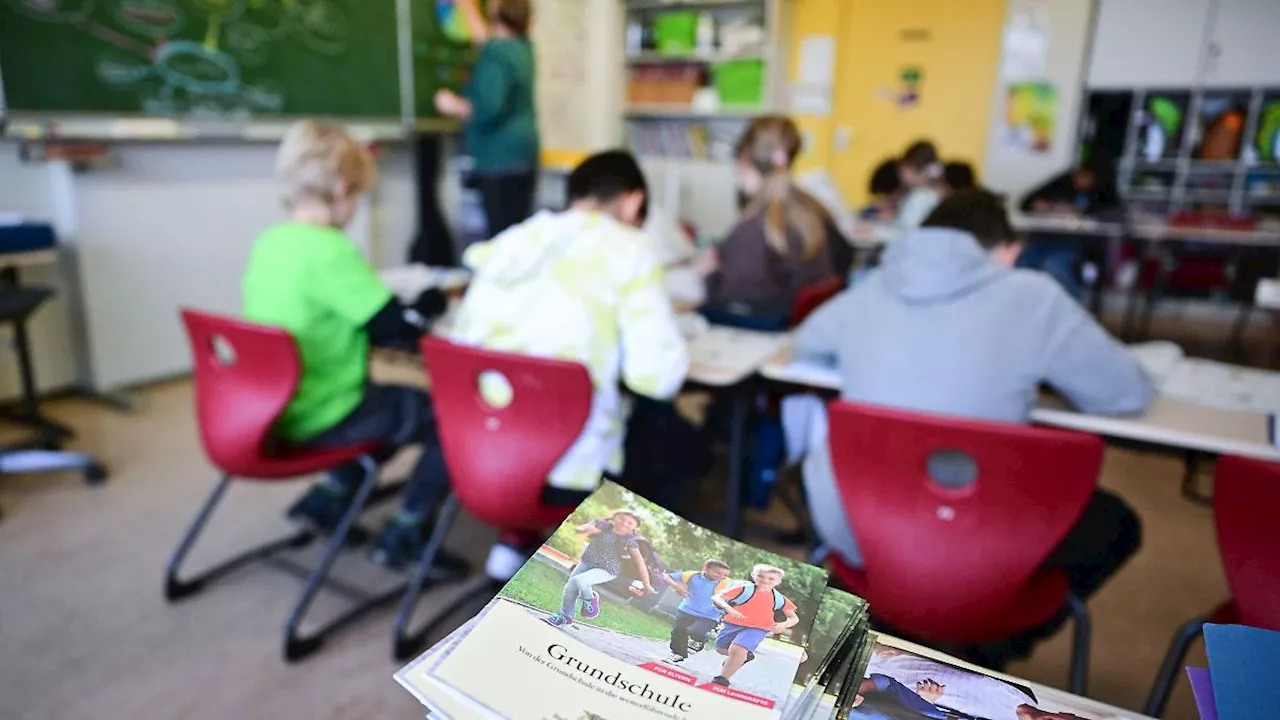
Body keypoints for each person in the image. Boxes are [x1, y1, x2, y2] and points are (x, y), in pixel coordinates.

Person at [791, 190, 1153, 661]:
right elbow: (1125, 393)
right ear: (1001, 250)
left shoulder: (871, 289)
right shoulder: (1033, 296)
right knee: (1119, 523)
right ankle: (990, 648)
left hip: (868, 534)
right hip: (991, 551)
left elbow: (807, 344)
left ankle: (902, 625)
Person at [450, 149, 691, 579]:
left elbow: (463, 344)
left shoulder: (511, 242)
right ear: (634, 202)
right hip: (568, 472)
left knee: (535, 394)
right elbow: (658, 378)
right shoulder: (630, 250)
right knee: (680, 443)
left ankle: (515, 541)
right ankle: (617, 573)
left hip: (483, 453)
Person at [242, 121, 464, 571]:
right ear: (343, 188)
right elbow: (395, 331)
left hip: (275, 404)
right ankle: (407, 529)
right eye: (359, 195)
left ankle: (329, 498)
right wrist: (430, 303)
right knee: (449, 415)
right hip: (326, 409)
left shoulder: (272, 242)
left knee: (393, 408)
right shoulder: (330, 250)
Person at [698, 115, 854, 326]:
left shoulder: (753, 230)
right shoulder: (816, 211)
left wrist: (709, 274)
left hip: (761, 332)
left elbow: (733, 303)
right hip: (802, 328)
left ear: (743, 160)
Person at [434, 0, 539, 238]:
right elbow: (487, 40)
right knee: (515, 235)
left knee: (500, 239)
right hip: (522, 155)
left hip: (498, 159)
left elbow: (489, 107)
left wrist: (453, 105)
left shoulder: (497, 54)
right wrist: (468, 9)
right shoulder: (523, 48)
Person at [1017, 155, 1122, 300]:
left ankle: (1067, 310)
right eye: (1079, 175)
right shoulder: (1063, 182)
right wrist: (1041, 206)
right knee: (1022, 264)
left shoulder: (1105, 196)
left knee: (1054, 268)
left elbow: (1112, 215)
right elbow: (1025, 202)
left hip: (1076, 246)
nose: (1080, 180)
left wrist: (1079, 212)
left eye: (1086, 177)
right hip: (1044, 240)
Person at [546, 510, 655, 628]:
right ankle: (565, 617)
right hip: (587, 562)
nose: (624, 523)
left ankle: (590, 599)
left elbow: (640, 564)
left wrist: (647, 585)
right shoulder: (601, 524)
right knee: (570, 588)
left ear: (634, 527)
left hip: (608, 569)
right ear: (615, 517)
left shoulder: (631, 542)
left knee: (580, 581)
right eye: (621, 519)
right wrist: (585, 529)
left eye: (630, 523)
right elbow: (580, 529)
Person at [709, 564, 800, 687]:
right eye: (760, 576)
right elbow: (717, 597)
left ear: (778, 582)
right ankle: (743, 657)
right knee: (721, 649)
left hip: (759, 627)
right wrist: (728, 608)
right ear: (753, 576)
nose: (765, 580)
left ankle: (722, 679)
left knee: (737, 649)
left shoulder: (778, 598)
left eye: (771, 579)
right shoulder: (745, 589)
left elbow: (794, 618)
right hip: (733, 623)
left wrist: (783, 625)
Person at [661, 559, 734, 663]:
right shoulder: (692, 575)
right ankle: (678, 653)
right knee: (678, 632)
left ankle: (700, 640)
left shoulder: (728, 583)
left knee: (695, 631)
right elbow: (666, 576)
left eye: (724, 575)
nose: (721, 577)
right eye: (717, 573)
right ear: (706, 568)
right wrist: (677, 586)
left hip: (710, 615)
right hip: (686, 609)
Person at [894, 140, 944, 231]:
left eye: (904, 167)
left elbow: (906, 230)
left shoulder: (921, 197)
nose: (900, 173)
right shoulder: (931, 194)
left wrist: (875, 232)